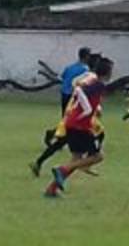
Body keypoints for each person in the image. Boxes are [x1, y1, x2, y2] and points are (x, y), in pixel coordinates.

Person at [44, 57, 114, 198]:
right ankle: (62, 169)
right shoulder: (98, 85)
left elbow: (80, 91)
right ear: (108, 73)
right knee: (98, 156)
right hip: (79, 125)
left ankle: (51, 190)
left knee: (76, 157)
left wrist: (92, 107)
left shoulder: (95, 84)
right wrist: (87, 110)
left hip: (71, 123)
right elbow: (80, 91)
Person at [58, 47, 92, 114]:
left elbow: (62, 78)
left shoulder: (69, 67)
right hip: (75, 95)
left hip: (64, 93)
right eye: (89, 55)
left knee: (65, 116)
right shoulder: (85, 69)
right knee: (74, 117)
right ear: (86, 56)